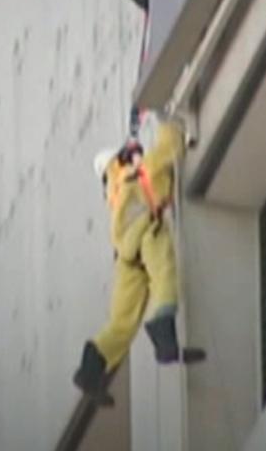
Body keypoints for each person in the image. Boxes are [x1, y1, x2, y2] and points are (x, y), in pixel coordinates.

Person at [72, 118, 206, 406]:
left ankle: (90, 369)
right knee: (164, 281)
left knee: (122, 321)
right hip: (149, 232)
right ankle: (164, 343)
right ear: (121, 160)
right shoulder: (141, 172)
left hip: (124, 255)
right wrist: (165, 120)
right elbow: (171, 147)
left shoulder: (115, 193)